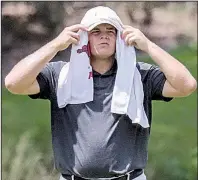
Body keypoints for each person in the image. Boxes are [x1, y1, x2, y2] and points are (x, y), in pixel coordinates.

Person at [5, 6, 197, 180]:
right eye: (96, 31)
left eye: (110, 31)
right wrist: (55, 45)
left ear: (119, 38)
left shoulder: (139, 75)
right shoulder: (60, 75)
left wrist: (148, 45)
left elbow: (186, 85)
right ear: (84, 39)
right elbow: (13, 83)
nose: (104, 36)